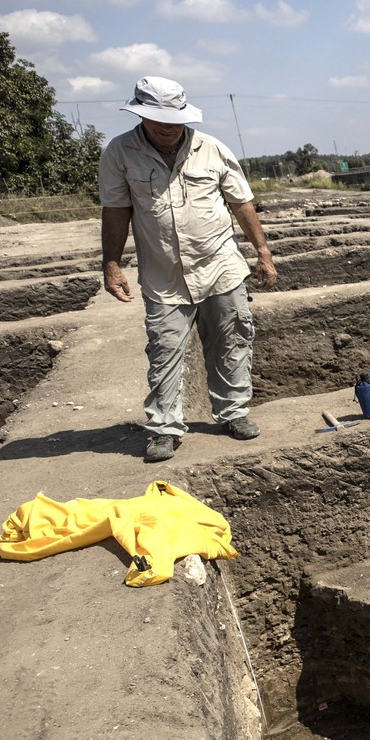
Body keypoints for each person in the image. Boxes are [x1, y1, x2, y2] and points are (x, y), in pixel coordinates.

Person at [98, 76, 278, 464]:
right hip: (164, 275)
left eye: (174, 119)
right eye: (159, 119)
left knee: (232, 340)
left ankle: (233, 413)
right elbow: (115, 210)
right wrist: (111, 264)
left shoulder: (211, 148)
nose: (168, 127)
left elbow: (241, 203)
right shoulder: (120, 153)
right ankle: (164, 428)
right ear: (141, 115)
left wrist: (262, 252)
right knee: (164, 350)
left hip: (220, 266)